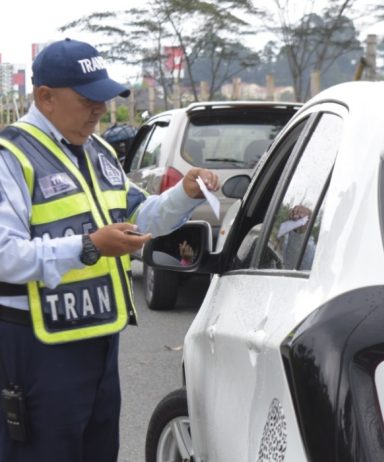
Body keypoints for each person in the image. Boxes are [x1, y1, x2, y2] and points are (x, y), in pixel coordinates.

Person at [0, 38, 220, 462]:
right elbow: (6, 255)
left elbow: (140, 217)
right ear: (45, 97)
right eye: (87, 100)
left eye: (104, 98)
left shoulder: (99, 152)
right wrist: (88, 247)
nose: (100, 110)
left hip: (99, 340)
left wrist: (185, 194)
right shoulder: (12, 157)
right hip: (37, 348)